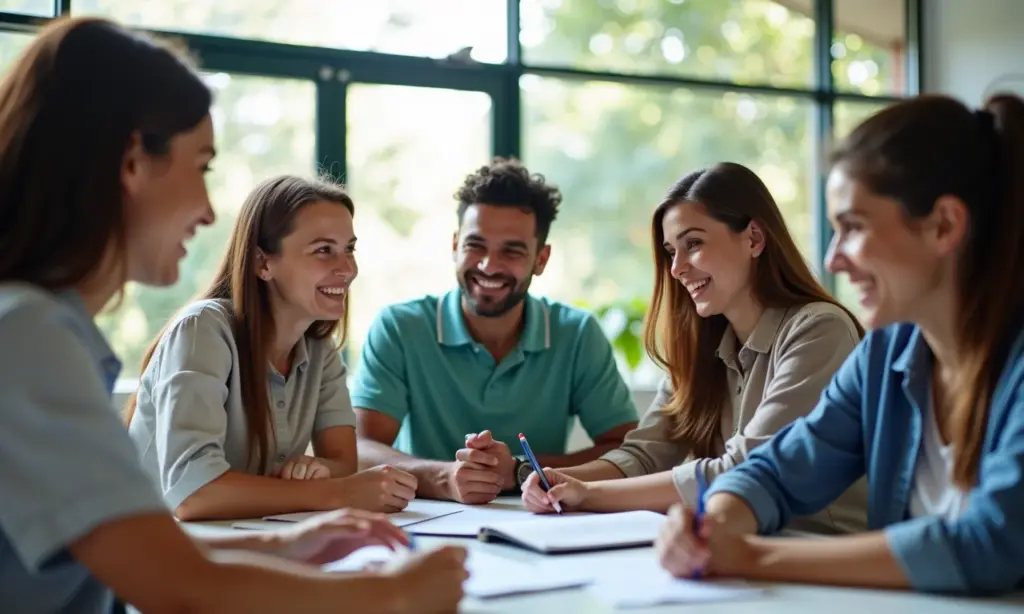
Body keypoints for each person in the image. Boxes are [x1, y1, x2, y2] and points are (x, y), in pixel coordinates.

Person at [0, 17, 466, 614]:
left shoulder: (43, 328)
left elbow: (141, 557)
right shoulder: (28, 336)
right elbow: (177, 586)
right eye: (202, 166)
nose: (207, 208)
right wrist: (393, 593)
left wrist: (289, 544)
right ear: (132, 162)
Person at [653, 93, 1024, 595]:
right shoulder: (883, 357)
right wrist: (714, 522)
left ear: (944, 225)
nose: (833, 260)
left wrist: (754, 555)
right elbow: (779, 468)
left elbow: (989, 543)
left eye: (853, 228)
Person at [521, 162, 868, 535]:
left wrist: (588, 493)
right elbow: (645, 453)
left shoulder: (820, 330)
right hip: (739, 551)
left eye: (694, 244)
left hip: (821, 555)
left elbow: (745, 468)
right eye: (671, 251)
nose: (676, 268)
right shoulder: (703, 347)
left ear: (753, 238)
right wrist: (555, 481)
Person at [127, 175, 417, 521]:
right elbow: (194, 493)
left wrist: (317, 470)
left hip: (237, 542)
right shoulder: (202, 330)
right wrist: (336, 492)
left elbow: (342, 462)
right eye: (324, 250)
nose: (348, 269)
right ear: (263, 263)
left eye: (349, 249)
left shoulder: (318, 346)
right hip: (146, 553)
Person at [352, 157, 640, 504]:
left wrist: (520, 471)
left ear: (541, 259)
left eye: (512, 251)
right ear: (455, 245)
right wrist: (443, 477)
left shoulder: (576, 334)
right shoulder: (400, 327)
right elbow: (361, 450)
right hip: (424, 522)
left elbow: (628, 453)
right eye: (476, 245)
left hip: (541, 523)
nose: (489, 265)